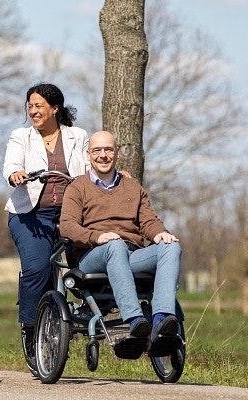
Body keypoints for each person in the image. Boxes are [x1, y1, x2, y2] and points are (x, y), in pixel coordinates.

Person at [60, 130, 182, 357]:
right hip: (91, 256)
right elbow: (67, 226)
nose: (103, 155)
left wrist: (160, 234)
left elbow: (149, 221)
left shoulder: (132, 186)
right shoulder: (77, 188)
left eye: (108, 150)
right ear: (88, 155)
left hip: (129, 254)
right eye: (97, 150)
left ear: (116, 153)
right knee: (114, 245)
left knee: (171, 246)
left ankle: (161, 320)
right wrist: (97, 236)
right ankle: (135, 319)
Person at [3, 83, 90, 359]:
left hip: (71, 213)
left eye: (39, 106)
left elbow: (90, 170)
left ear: (55, 109)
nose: (33, 111)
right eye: (30, 106)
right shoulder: (21, 136)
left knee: (87, 263)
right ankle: (30, 327)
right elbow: (10, 165)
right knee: (37, 269)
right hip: (31, 214)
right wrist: (16, 173)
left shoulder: (78, 136)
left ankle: (88, 312)